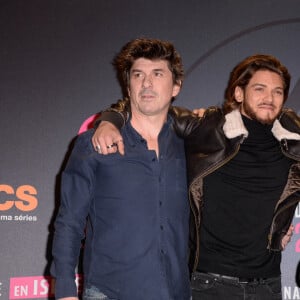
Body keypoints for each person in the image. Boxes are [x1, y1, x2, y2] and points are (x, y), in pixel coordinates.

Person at [92, 54, 300, 300]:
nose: (269, 98)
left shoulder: (293, 138)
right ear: (239, 94)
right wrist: (110, 120)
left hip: (268, 286)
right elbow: (148, 109)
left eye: (278, 92)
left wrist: (283, 227)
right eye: (260, 89)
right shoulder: (208, 127)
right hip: (209, 285)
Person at [51, 38, 192, 300]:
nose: (147, 83)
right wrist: (65, 291)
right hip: (109, 292)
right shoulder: (92, 144)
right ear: (128, 86)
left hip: (176, 292)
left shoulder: (193, 146)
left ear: (176, 87)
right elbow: (69, 222)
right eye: (138, 75)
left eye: (157, 74)